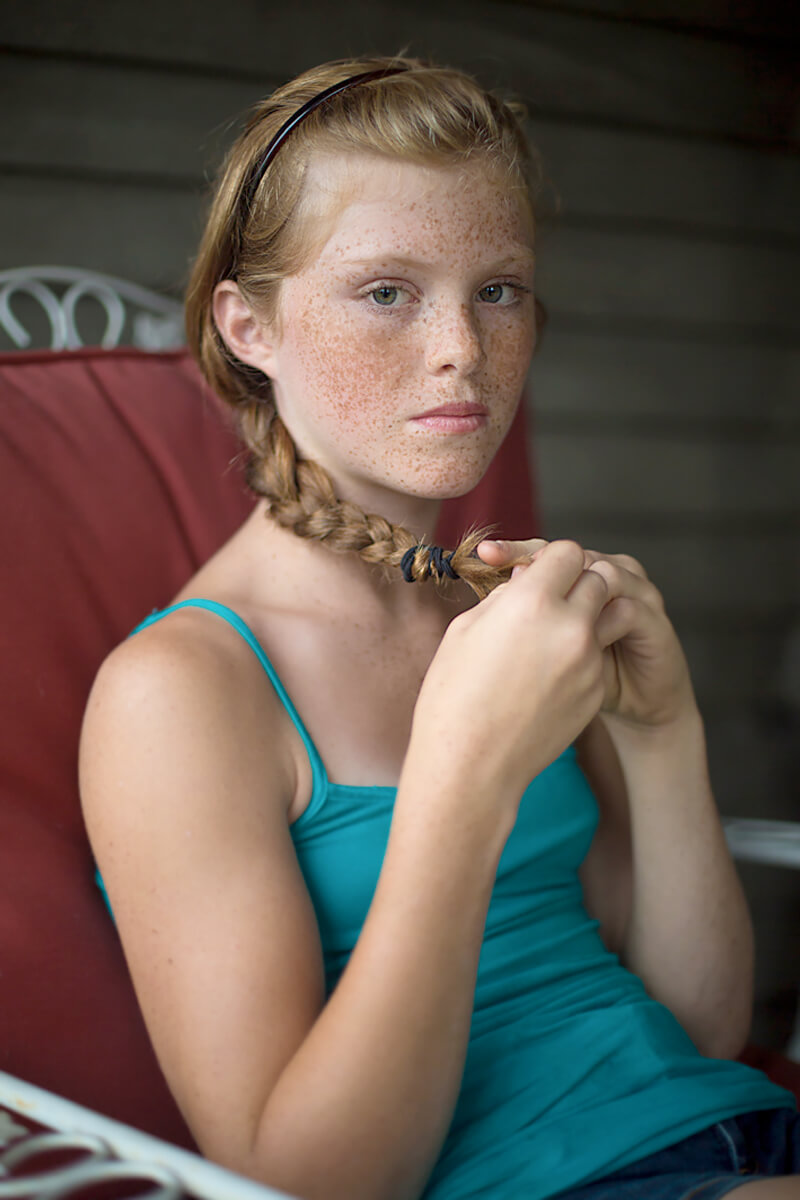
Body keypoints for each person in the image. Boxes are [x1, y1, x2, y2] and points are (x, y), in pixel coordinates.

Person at [79, 54, 800, 1200]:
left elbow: (699, 1029)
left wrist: (663, 732)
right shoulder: (182, 689)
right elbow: (308, 1182)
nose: (461, 348)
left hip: (742, 1129)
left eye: (497, 289)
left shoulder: (506, 617)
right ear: (247, 324)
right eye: (386, 292)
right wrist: (463, 775)